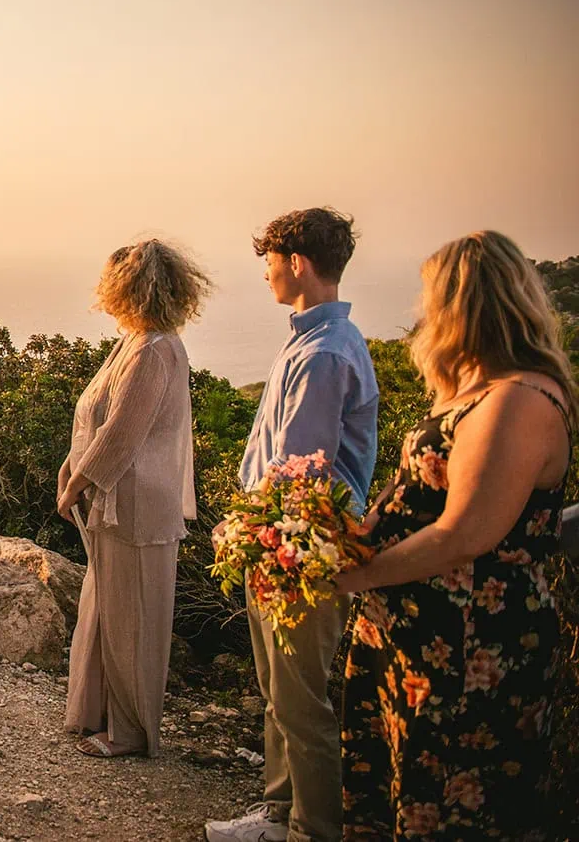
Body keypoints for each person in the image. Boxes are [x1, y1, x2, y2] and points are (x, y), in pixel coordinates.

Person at [335, 231, 570, 841]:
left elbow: (464, 533)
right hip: (421, 642)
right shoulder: (480, 391)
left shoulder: (518, 400)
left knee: (456, 811)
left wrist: (357, 575)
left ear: (463, 302)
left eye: (431, 298)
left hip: (469, 653)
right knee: (402, 796)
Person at [207, 208, 378, 842]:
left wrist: (256, 540)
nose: (268, 274)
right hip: (282, 547)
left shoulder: (325, 353)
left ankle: (313, 830)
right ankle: (280, 818)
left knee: (301, 704)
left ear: (297, 263)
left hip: (299, 553)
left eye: (271, 261)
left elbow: (299, 477)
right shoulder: (312, 340)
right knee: (281, 694)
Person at [57, 239, 211, 757]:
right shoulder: (134, 342)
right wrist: (70, 467)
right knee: (106, 609)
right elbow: (98, 419)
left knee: (134, 621)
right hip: (114, 499)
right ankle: (97, 714)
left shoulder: (152, 351)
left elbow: (124, 431)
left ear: (130, 287)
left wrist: (78, 482)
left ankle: (131, 732)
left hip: (138, 505)